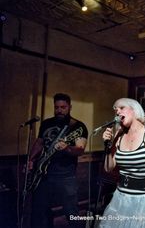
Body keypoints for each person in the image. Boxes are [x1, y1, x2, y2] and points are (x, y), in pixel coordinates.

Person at [96, 98, 145, 228]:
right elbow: (108, 168)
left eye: (121, 108)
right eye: (116, 111)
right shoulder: (119, 136)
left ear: (134, 110)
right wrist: (108, 146)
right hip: (121, 198)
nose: (118, 112)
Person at [28, 93, 88, 227]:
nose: (59, 110)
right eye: (57, 107)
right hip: (43, 175)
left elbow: (80, 149)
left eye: (63, 107)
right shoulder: (46, 123)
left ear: (70, 107)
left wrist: (67, 148)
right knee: (40, 211)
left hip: (66, 176)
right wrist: (31, 160)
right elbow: (39, 143)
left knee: (71, 212)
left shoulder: (78, 127)